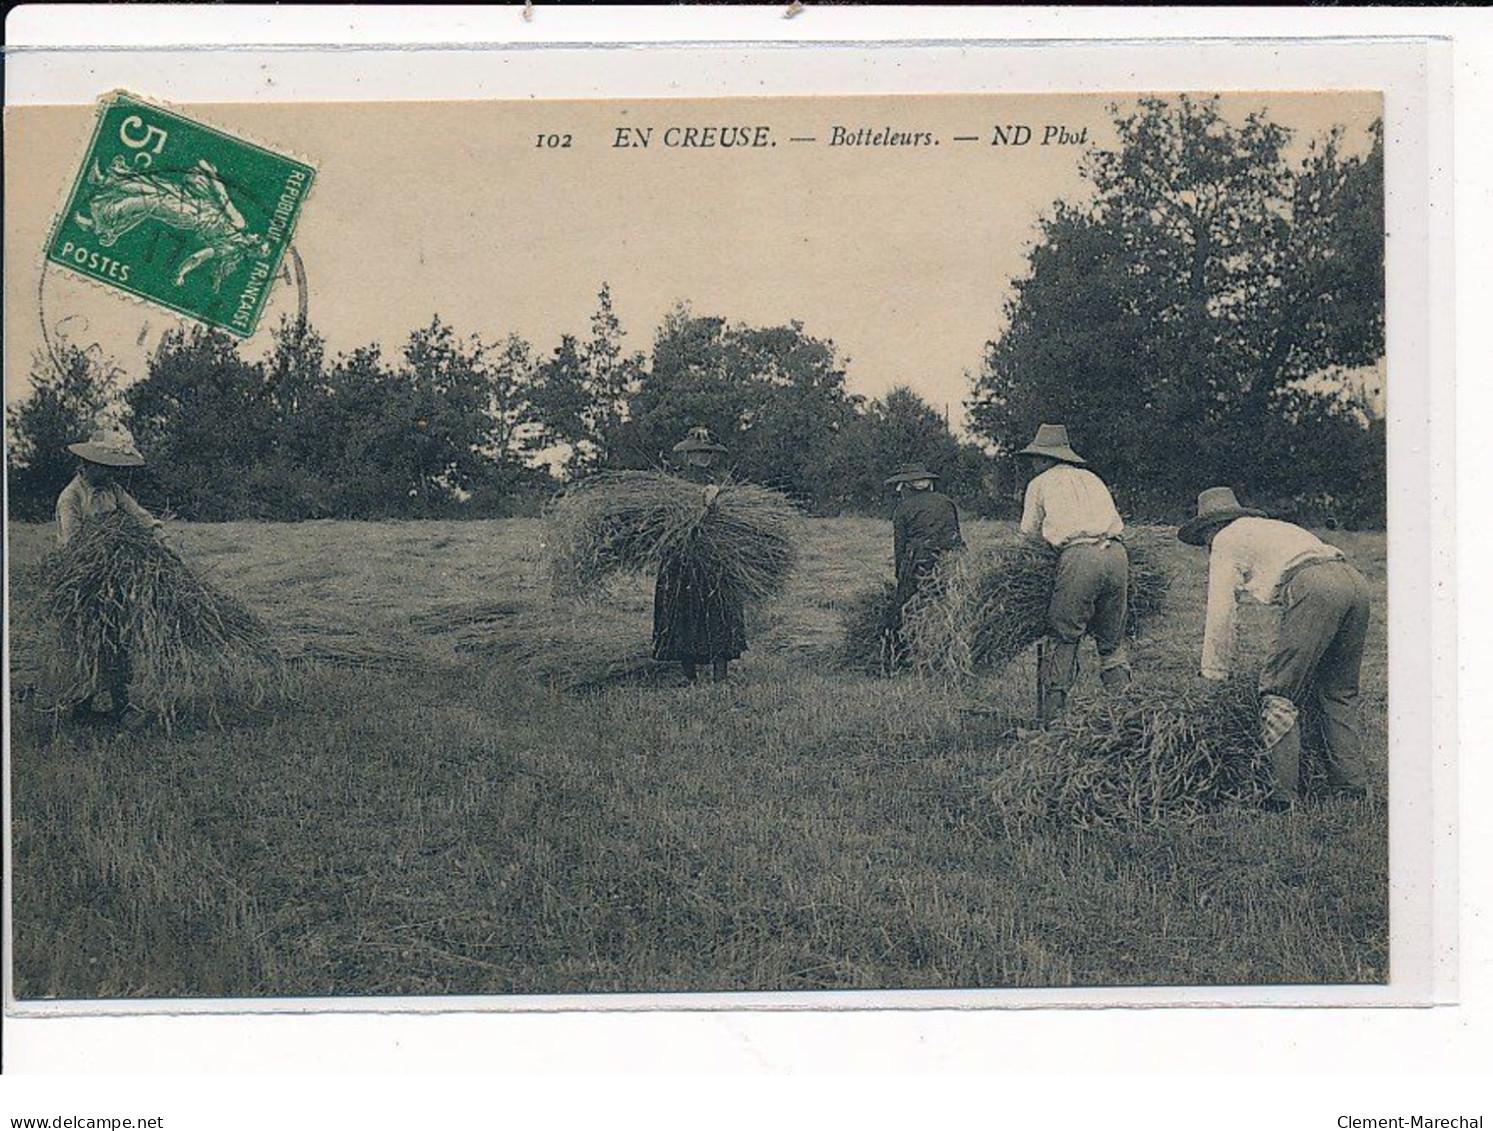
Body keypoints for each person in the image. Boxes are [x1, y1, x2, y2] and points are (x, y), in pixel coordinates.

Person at [1178, 487, 1372, 810]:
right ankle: (1351, 789)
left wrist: (1214, 675)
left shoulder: (1225, 541)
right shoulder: (1272, 529)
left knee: (1278, 692)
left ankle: (1281, 797)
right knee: (1339, 692)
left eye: (1204, 540)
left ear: (1211, 528)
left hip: (1315, 586)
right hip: (1355, 582)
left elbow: (1221, 612)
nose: (1206, 547)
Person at [1017, 423, 1132, 724]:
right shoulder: (1092, 478)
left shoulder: (1041, 483)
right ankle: (1127, 716)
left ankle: (1054, 723)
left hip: (1081, 558)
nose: (1033, 464)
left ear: (1044, 458)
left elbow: (1027, 537)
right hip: (1118, 555)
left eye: (1035, 458)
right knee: (1111, 641)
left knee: (1064, 635)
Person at [55, 426, 163, 723]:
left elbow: (137, 514)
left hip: (115, 577)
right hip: (85, 578)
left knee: (118, 638)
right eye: (105, 468)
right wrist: (101, 548)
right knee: (90, 641)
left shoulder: (113, 490)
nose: (111, 473)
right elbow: (72, 543)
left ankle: (121, 703)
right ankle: (81, 707)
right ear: (89, 465)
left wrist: (155, 532)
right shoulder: (72, 497)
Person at [652, 428, 747, 685]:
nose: (702, 456)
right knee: (682, 611)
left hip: (716, 556)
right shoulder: (676, 483)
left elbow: (734, 517)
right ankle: (689, 675)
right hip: (683, 556)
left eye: (707, 452)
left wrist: (714, 504)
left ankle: (720, 677)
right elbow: (668, 515)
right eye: (697, 452)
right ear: (688, 454)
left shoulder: (723, 481)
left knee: (719, 613)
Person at [885, 463, 964, 610]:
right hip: (951, 560)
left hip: (919, 562)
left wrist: (900, 575)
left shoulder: (903, 508)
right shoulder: (946, 501)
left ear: (907, 486)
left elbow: (900, 546)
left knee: (912, 605)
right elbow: (956, 534)